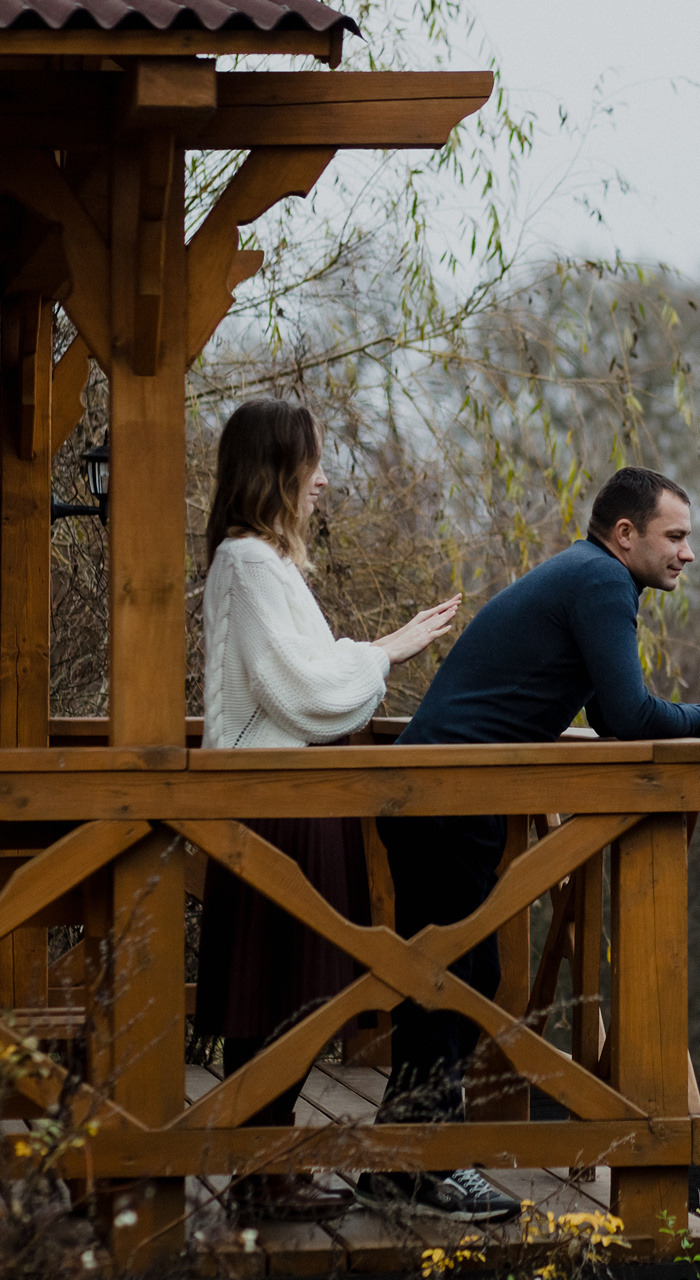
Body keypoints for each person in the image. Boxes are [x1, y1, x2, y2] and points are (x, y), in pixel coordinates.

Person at [360, 466, 700, 1220]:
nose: (689, 553)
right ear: (625, 535)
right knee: (453, 976)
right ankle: (421, 1165)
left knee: (453, 972)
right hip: (446, 797)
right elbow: (632, 719)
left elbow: (618, 716)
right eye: (676, 536)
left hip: (447, 795)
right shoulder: (602, 584)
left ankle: (405, 1160)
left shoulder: (587, 577)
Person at [197, 398, 460, 1221]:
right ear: (279, 468)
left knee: (296, 993)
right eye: (312, 461)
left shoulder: (266, 565)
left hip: (297, 798)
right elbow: (304, 691)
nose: (321, 478)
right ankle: (259, 1173)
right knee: (278, 994)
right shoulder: (246, 564)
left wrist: (372, 655)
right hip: (276, 804)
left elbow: (308, 683)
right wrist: (385, 650)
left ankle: (265, 1166)